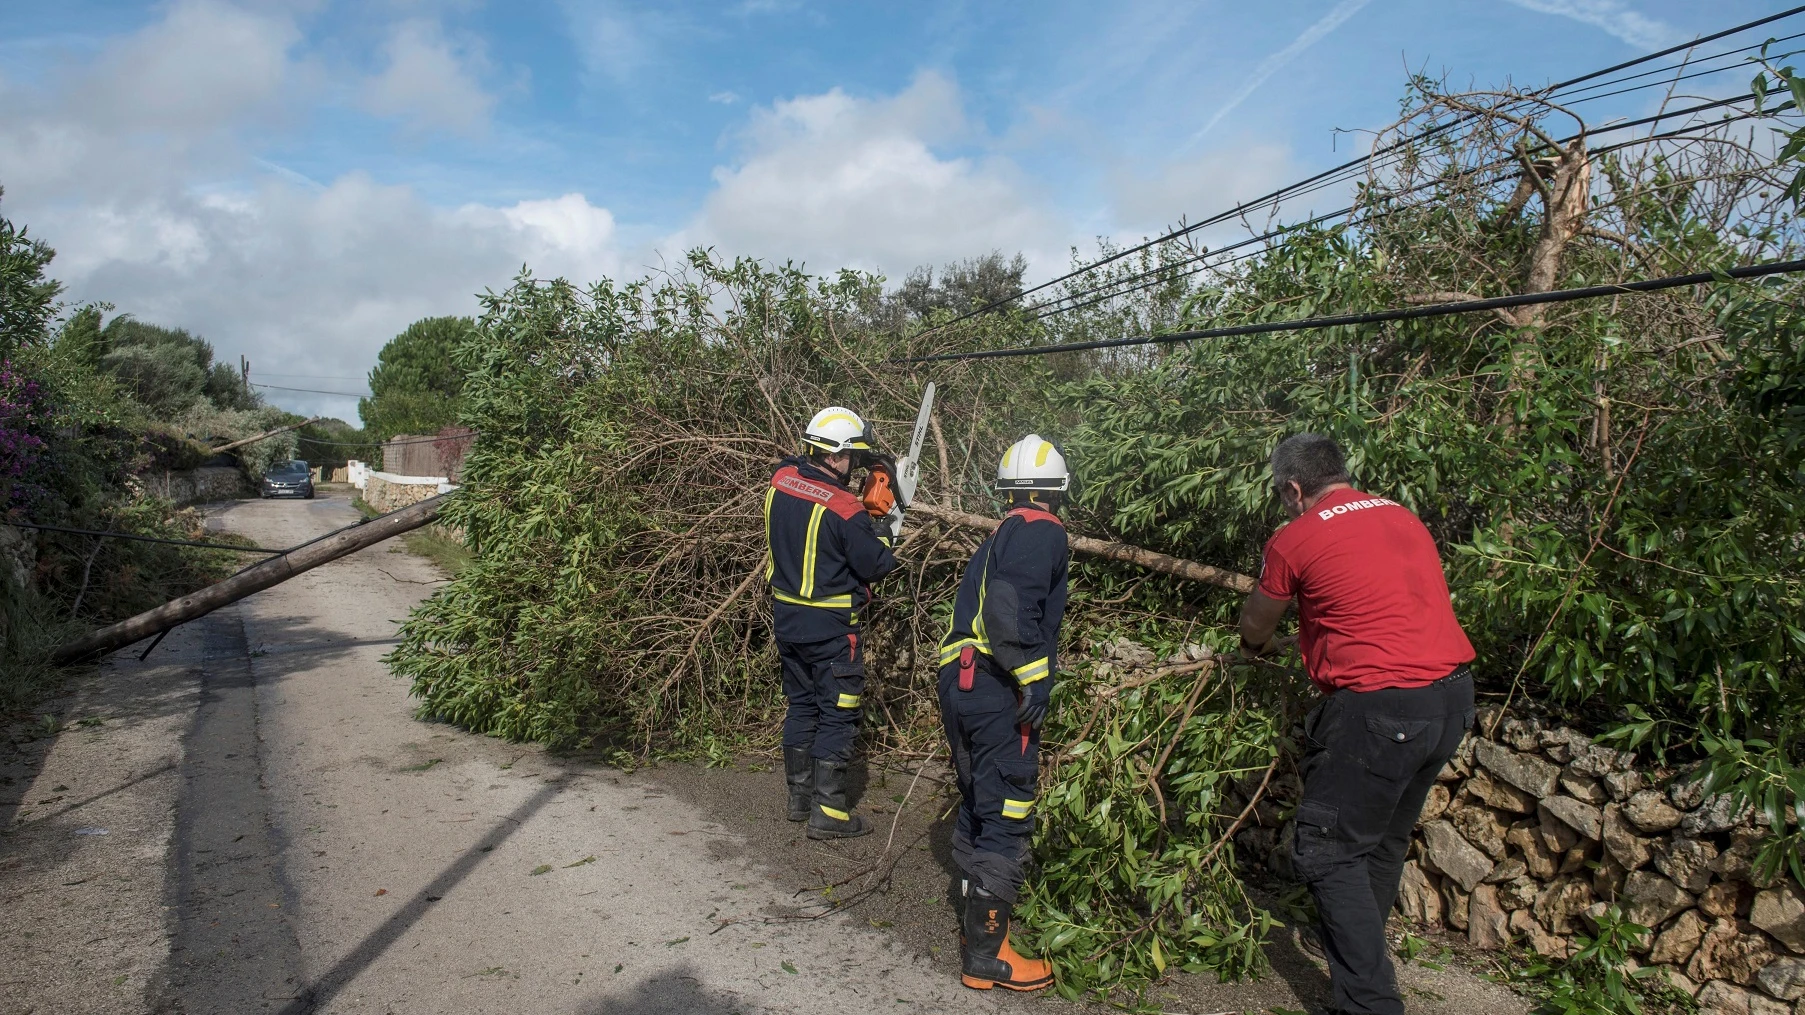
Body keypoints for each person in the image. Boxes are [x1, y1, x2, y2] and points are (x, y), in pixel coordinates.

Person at [1238, 433, 1476, 1015]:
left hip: (1378, 709)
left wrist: (1253, 648)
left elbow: (1259, 619)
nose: (1281, 503)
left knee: (1326, 851)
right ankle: (1350, 943)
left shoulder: (1295, 537)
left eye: (1279, 494)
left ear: (1294, 488)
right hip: (1450, 700)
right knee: (1380, 841)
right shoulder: (1401, 515)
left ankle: (1370, 1005)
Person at [936, 434, 1069, 992]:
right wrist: (1034, 677)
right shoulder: (1043, 531)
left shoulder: (1001, 533)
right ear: (1056, 493)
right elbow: (1010, 611)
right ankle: (989, 957)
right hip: (996, 685)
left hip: (961, 680)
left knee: (979, 800)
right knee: (1009, 806)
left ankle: (978, 932)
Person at [765, 407, 903, 839]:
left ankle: (799, 799)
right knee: (838, 714)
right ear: (837, 455)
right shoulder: (845, 508)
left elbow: (804, 485)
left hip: (787, 618)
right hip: (830, 626)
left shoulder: (780, 479)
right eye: (854, 459)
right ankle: (830, 815)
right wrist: (883, 526)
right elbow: (877, 564)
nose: (855, 468)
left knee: (802, 705)